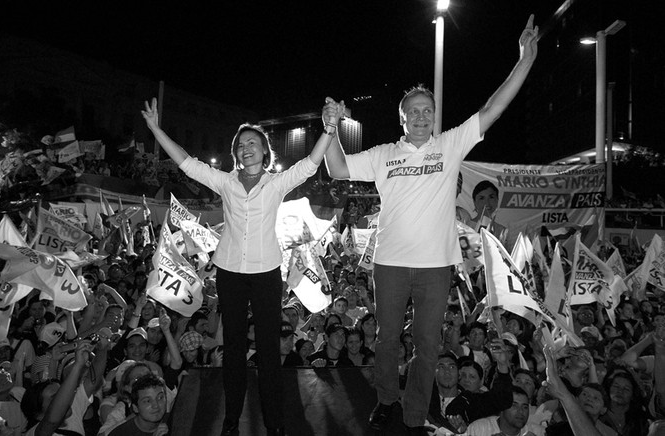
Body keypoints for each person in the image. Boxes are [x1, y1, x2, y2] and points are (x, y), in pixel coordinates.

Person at [323, 15, 538, 433]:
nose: (421, 117)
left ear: (435, 117)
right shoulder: (384, 153)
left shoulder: (450, 144)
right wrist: (331, 128)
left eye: (427, 111)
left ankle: (415, 414)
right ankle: (386, 399)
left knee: (427, 346)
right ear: (402, 119)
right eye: (413, 112)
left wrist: (524, 61)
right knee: (386, 340)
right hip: (390, 263)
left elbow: (493, 107)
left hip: (437, 266)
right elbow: (336, 169)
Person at [142, 96, 343, 436]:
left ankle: (274, 421)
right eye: (240, 145)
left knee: (268, 351)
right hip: (230, 272)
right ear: (235, 154)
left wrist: (329, 128)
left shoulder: (276, 183)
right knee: (233, 349)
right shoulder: (225, 181)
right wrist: (156, 129)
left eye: (253, 143)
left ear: (266, 152)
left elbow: (310, 164)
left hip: (266, 273)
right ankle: (232, 417)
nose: (246, 148)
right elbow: (187, 162)